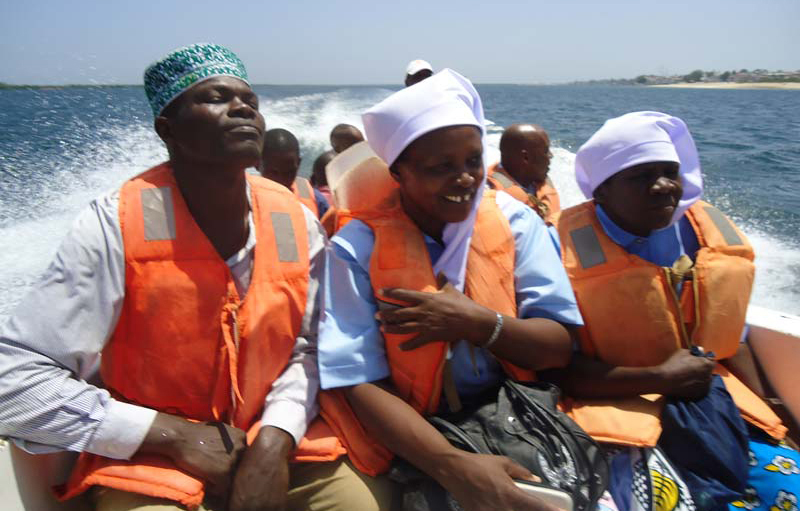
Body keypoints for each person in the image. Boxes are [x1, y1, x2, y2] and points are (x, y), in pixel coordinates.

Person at [0, 43, 390, 511]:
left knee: (360, 504)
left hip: (278, 435)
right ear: (167, 129)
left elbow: (308, 347)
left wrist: (274, 440)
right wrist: (173, 436)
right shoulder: (115, 224)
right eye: (217, 98)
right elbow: (13, 380)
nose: (244, 108)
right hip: (153, 453)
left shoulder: (295, 220)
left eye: (250, 101)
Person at [317, 69, 584, 511]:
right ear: (398, 172)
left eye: (473, 161)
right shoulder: (356, 248)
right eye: (441, 167)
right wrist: (454, 467)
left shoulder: (517, 223)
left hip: (517, 413)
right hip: (417, 433)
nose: (464, 179)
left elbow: (558, 347)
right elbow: (358, 380)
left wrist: (478, 323)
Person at [549, 111, 797, 511]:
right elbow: (554, 369)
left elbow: (731, 339)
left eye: (670, 172)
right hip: (618, 413)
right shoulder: (558, 247)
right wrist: (660, 378)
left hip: (711, 402)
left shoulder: (697, 233)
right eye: (642, 176)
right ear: (603, 191)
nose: (664, 186)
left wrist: (777, 410)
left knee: (790, 488)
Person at [488, 124, 561, 223]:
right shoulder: (494, 199)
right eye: (546, 151)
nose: (551, 156)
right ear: (526, 157)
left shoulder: (537, 178)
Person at [260, 127, 330, 218]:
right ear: (257, 164)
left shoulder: (316, 199)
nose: (282, 180)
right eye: (273, 173)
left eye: (289, 173)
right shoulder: (247, 201)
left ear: (298, 163)